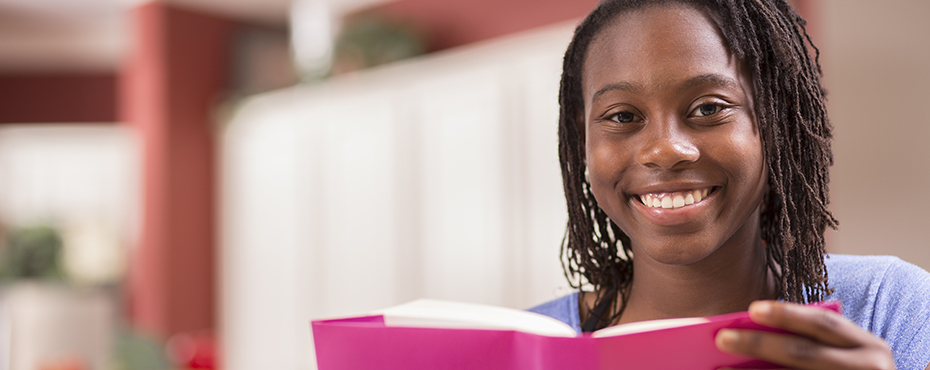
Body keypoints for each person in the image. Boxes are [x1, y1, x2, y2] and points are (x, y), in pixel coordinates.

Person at [528, 0, 930, 369]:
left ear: (777, 121)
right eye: (622, 117)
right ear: (582, 136)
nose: (665, 150)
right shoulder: (527, 345)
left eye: (709, 108)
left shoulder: (891, 308)